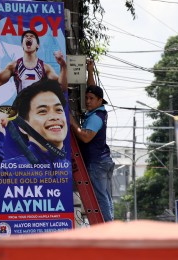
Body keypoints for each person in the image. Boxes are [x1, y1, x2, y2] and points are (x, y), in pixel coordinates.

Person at [0, 79, 70, 169]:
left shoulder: (69, 171)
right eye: (43, 111)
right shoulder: (10, 170)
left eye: (58, 110)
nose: (55, 117)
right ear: (22, 127)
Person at [69, 60, 115, 222]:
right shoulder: (98, 110)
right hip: (104, 160)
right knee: (106, 197)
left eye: (91, 99)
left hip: (97, 163)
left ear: (99, 101)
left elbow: (85, 136)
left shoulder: (96, 117)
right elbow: (93, 89)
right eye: (86, 98)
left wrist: (72, 121)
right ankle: (110, 224)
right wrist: (90, 70)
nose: (87, 101)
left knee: (101, 198)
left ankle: (107, 228)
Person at [0, 30, 68, 92]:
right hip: (21, 111)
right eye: (26, 36)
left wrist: (63, 66)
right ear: (22, 45)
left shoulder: (45, 68)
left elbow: (62, 88)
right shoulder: (14, 66)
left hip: (38, 112)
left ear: (37, 45)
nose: (28, 37)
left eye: (32, 36)